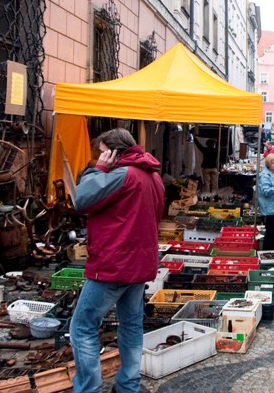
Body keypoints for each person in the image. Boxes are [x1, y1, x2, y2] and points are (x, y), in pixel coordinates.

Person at [70, 128, 165, 393]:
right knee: (132, 325)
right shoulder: (153, 176)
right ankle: (128, 386)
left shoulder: (122, 175)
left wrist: (98, 170)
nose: (97, 158)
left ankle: (88, 388)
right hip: (139, 264)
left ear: (113, 152)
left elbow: (81, 199)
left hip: (113, 265)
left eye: (101, 152)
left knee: (82, 326)